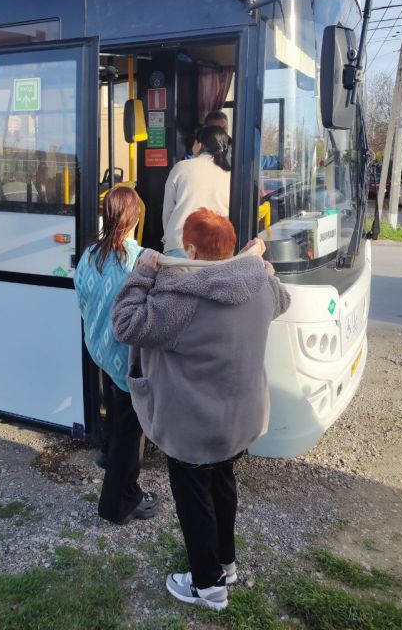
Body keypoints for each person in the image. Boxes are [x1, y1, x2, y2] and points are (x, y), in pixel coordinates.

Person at [112, 209, 290, 611]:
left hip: (192, 425)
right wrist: (256, 261)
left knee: (195, 497)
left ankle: (207, 587)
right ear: (229, 247)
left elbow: (124, 323)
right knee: (223, 483)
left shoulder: (180, 299)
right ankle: (224, 565)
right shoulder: (260, 285)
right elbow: (282, 297)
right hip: (239, 419)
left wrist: (141, 271)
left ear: (189, 249)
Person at [73, 186, 158, 524]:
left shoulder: (88, 255)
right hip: (126, 362)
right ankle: (119, 503)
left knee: (116, 416)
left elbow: (82, 300)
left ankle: (107, 454)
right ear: (135, 217)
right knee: (130, 435)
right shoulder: (141, 261)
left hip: (99, 351)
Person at [162, 125, 231, 256]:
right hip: (216, 247)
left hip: (180, 245)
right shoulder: (230, 174)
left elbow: (168, 211)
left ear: (200, 144)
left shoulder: (181, 167)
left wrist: (169, 238)